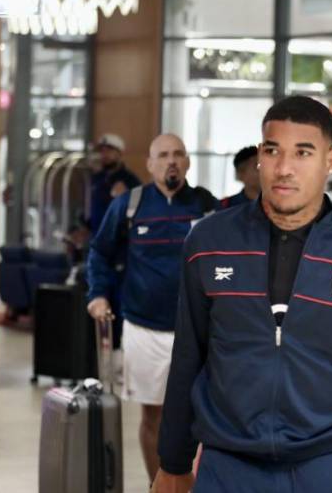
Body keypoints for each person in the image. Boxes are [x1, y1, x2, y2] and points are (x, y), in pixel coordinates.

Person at [151, 96, 332, 493]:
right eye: (272, 150)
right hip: (224, 470)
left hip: (321, 470)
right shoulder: (209, 242)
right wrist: (174, 462)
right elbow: (189, 357)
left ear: (329, 162)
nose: (284, 168)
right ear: (259, 158)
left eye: (303, 152)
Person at [87, 133, 217, 482]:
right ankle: (157, 486)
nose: (171, 161)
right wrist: (97, 294)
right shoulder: (130, 205)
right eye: (162, 155)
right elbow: (99, 253)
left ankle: (193, 486)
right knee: (154, 415)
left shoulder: (206, 206)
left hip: (198, 330)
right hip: (144, 327)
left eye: (178, 154)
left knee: (203, 415)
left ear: (187, 162)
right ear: (150, 164)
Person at [88, 133, 141, 233]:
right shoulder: (96, 178)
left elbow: (140, 211)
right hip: (96, 237)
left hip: (119, 239)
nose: (105, 155)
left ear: (120, 153)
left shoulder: (130, 180)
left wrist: (125, 197)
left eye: (109, 151)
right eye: (102, 151)